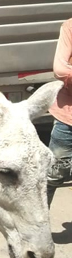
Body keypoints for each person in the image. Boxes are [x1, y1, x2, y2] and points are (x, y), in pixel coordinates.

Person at [47, 18, 72, 205]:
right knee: (53, 174)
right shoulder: (70, 27)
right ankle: (35, 229)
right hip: (67, 116)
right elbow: (60, 68)